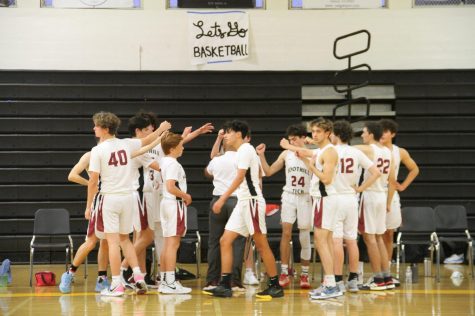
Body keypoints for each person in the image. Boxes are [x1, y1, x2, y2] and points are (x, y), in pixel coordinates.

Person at [86, 111, 170, 296]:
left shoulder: (97, 150)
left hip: (110, 198)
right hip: (129, 198)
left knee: (113, 242)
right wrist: (162, 130)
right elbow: (148, 141)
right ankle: (139, 276)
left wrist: (89, 205)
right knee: (125, 239)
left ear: (105, 129)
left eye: (96, 125)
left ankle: (117, 284)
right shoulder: (126, 144)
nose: (94, 128)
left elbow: (93, 181)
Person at [203, 120, 284, 299]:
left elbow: (240, 177)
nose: (225, 136)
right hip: (242, 202)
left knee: (261, 244)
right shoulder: (241, 151)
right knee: (225, 240)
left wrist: (222, 199)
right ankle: (225, 284)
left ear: (239, 134)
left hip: (252, 202)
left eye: (229, 133)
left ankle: (274, 284)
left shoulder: (246, 149)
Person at [281, 117, 342, 300]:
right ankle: (331, 283)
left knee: (322, 241)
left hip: (325, 198)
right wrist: (298, 147)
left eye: (318, 132)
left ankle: (331, 285)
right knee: (327, 242)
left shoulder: (329, 152)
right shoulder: (322, 150)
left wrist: (310, 167)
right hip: (323, 199)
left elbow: (326, 179)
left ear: (328, 133)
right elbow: (304, 151)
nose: (314, 134)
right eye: (313, 131)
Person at [256, 124, 313, 289]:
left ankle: (304, 274)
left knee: (304, 235)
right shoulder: (286, 153)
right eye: (290, 139)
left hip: (305, 197)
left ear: (303, 138)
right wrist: (261, 156)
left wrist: (302, 152)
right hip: (289, 196)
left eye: (295, 139)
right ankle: (284, 271)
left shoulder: (312, 154)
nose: (292, 141)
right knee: (286, 233)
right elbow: (268, 172)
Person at [330, 120, 381, 293]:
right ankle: (353, 279)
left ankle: (337, 281)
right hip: (352, 199)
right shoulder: (356, 152)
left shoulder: (330, 151)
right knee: (351, 240)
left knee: (336, 240)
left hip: (335, 199)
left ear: (335, 134)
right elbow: (376, 172)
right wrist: (360, 188)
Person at [120, 112, 161, 289]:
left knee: (141, 237)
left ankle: (139, 275)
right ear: (137, 131)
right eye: (146, 129)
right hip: (141, 193)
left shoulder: (136, 146)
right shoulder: (136, 147)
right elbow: (157, 165)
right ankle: (123, 269)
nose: (150, 131)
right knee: (146, 236)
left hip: (138, 194)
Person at [59, 150, 110, 293]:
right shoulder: (90, 155)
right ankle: (69, 273)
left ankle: (102, 278)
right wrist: (90, 184)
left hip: (111, 200)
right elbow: (72, 175)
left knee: (105, 242)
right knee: (91, 242)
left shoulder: (113, 152)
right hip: (98, 202)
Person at [203, 129, 247, 292]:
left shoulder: (217, 159)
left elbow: (207, 173)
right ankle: (234, 281)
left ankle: (212, 280)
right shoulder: (243, 158)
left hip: (217, 201)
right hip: (237, 201)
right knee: (237, 242)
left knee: (214, 242)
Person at [354, 121, 396, 291]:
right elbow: (392, 179)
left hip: (370, 196)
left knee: (370, 239)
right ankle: (386, 277)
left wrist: (359, 189)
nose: (362, 135)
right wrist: (388, 202)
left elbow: (345, 149)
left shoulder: (369, 149)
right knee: (379, 238)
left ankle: (377, 279)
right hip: (382, 195)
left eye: (364, 132)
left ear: (371, 134)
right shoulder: (388, 151)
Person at [379, 119, 419, 276]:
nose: (382, 134)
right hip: (374, 193)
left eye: (385, 131)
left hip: (391, 195)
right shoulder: (371, 149)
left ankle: (386, 270)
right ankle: (370, 271)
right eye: (380, 130)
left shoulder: (399, 151)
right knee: (373, 234)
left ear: (392, 134)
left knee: (389, 233)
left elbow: (414, 169)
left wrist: (403, 186)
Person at [157, 133, 193, 294]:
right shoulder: (172, 164)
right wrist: (185, 196)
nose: (183, 147)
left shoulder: (164, 161)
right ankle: (170, 282)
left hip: (166, 204)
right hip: (174, 204)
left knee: (167, 244)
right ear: (172, 149)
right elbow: (171, 186)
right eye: (181, 145)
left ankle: (165, 280)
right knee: (173, 244)